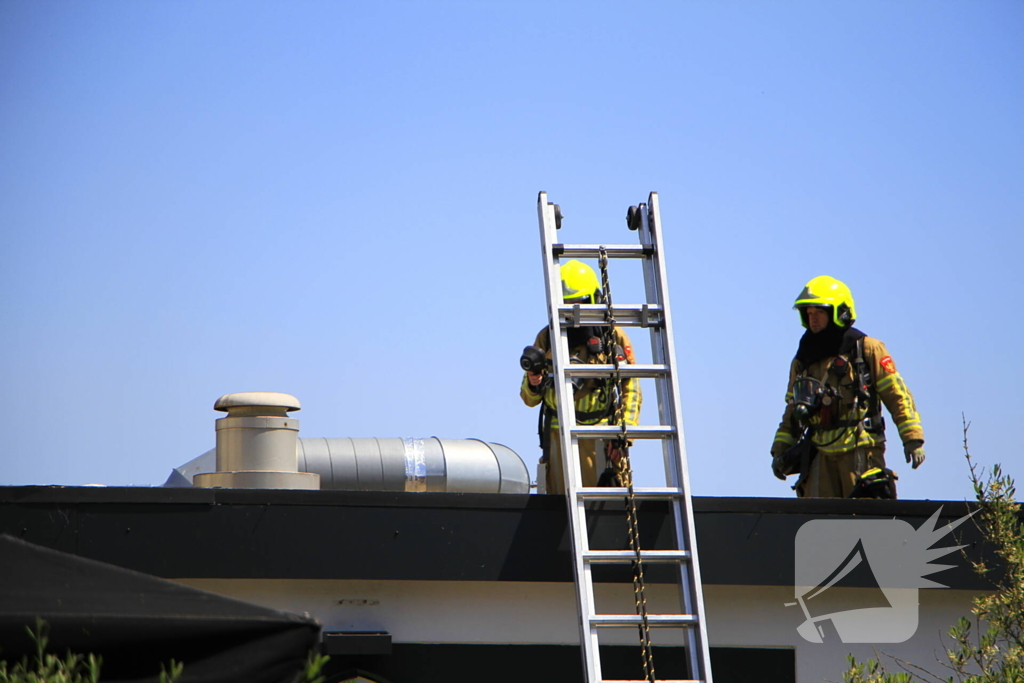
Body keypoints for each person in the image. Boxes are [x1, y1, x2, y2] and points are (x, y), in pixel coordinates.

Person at [771, 276, 925, 498]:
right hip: (819, 455)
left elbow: (897, 395)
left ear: (840, 312)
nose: (813, 319)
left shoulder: (867, 349)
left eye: (819, 312)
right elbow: (793, 410)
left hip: (860, 450)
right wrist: (779, 452)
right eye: (809, 313)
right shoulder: (803, 360)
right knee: (819, 517)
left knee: (864, 515)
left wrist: (912, 438)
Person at [521, 260, 642, 495]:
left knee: (607, 508)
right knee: (560, 509)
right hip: (558, 441)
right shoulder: (548, 338)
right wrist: (533, 383)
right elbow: (528, 398)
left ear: (594, 299)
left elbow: (631, 390)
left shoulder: (613, 337)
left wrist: (623, 436)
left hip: (603, 441)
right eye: (567, 304)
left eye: (580, 302)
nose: (573, 310)